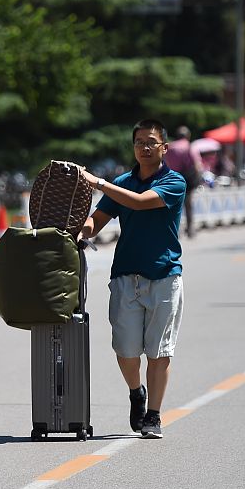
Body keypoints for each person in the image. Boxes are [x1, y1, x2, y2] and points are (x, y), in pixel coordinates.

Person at [78, 119, 185, 440]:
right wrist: (81, 233)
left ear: (164, 147)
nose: (145, 147)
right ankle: (136, 392)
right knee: (125, 349)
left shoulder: (174, 181)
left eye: (151, 142)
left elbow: (140, 202)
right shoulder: (123, 182)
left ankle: (153, 415)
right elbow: (98, 220)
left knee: (159, 351)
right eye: (139, 142)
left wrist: (98, 182)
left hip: (164, 275)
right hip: (126, 275)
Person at [164, 126, 203, 238]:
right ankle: (190, 229)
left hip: (173, 177)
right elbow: (197, 165)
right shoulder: (189, 147)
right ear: (188, 136)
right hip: (187, 179)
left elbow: (165, 163)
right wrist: (198, 178)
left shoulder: (170, 147)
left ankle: (176, 230)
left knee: (175, 204)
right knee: (188, 204)